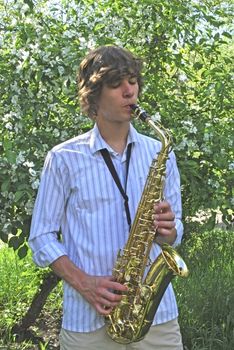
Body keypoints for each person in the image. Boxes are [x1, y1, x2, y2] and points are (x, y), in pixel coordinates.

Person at [29, 45, 184, 350]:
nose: (130, 92)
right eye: (117, 85)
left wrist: (170, 230)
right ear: (93, 97)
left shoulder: (159, 152)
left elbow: (175, 231)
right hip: (88, 323)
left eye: (133, 81)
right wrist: (85, 283)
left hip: (157, 317)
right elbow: (41, 237)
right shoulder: (63, 158)